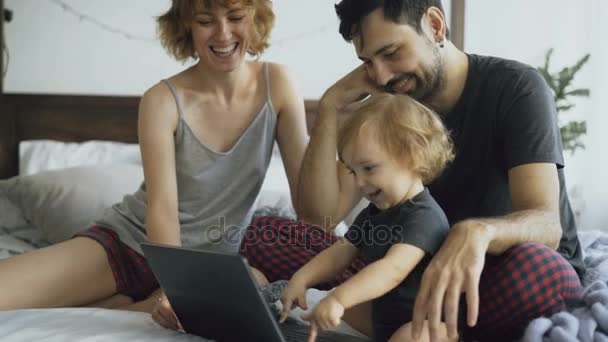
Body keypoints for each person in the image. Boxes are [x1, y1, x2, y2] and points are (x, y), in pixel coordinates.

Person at [246, 0, 584, 340]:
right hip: (406, 270)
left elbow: (546, 222)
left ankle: (413, 321)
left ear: (435, 26)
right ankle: (407, 318)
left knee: (543, 276)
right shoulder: (390, 108)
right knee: (266, 234)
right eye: (367, 62)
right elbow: (318, 219)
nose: (380, 76)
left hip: (491, 273)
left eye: (391, 53)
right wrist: (331, 105)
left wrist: (479, 232)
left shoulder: (516, 88)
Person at [0, 0, 308, 331]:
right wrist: (175, 289)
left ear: (256, 18)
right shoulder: (162, 100)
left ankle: (124, 306)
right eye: (206, 21)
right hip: (129, 245)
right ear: (186, 26)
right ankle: (134, 304)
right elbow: (162, 208)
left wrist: (332, 108)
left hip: (213, 265)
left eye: (235, 17)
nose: (223, 33)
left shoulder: (278, 84)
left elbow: (313, 210)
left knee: (257, 282)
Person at [280, 93, 456, 342]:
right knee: (307, 314)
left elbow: (392, 269)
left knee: (412, 336)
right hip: (383, 314)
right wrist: (303, 278)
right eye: (353, 171)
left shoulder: (424, 217)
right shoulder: (375, 212)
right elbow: (342, 251)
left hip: (425, 320)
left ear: (413, 156)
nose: (359, 183)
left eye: (369, 168)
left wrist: (339, 299)